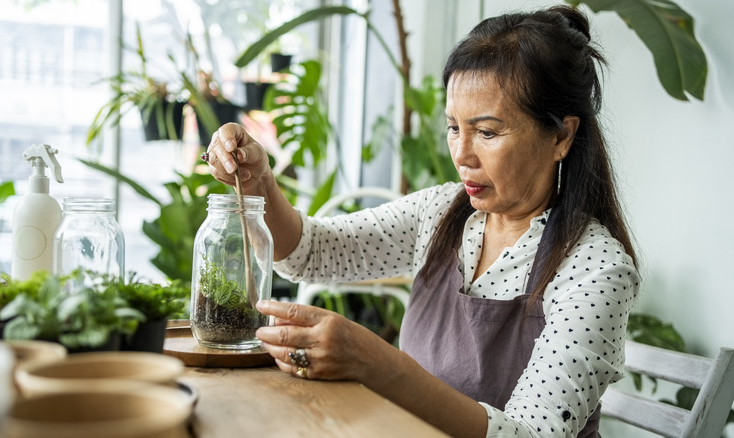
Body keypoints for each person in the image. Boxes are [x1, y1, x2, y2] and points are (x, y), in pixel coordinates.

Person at [203, 5, 639, 437]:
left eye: (487, 132)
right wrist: (261, 180)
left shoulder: (596, 268)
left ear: (561, 135)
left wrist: (377, 363)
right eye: (454, 128)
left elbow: (530, 434)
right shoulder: (440, 213)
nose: (462, 155)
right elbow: (312, 252)